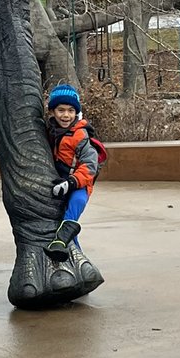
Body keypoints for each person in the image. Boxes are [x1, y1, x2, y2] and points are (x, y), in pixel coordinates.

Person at [44, 83, 106, 259]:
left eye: (71, 110)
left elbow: (90, 165)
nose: (66, 115)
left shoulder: (80, 136)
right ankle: (75, 255)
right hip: (58, 182)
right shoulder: (49, 131)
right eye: (61, 110)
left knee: (76, 203)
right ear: (52, 111)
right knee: (64, 223)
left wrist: (71, 182)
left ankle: (61, 242)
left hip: (79, 183)